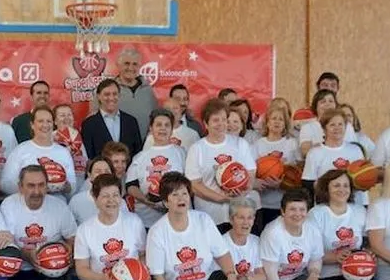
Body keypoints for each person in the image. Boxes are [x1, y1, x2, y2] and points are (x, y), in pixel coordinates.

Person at [0, 165, 78, 280]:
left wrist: (67, 252)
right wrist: (27, 254)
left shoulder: (58, 206)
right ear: (20, 187)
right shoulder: (9, 205)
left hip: (52, 271)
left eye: (41, 185)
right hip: (22, 270)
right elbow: (5, 244)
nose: (37, 191)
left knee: (58, 275)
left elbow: (72, 238)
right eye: (31, 185)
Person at [308, 169, 372, 280]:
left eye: (345, 185)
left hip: (353, 275)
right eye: (336, 185)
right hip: (325, 275)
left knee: (362, 279)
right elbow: (308, 251)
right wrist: (334, 257)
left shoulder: (359, 211)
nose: (342, 189)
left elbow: (368, 241)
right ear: (326, 188)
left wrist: (366, 254)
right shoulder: (316, 214)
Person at [185, 98, 258, 227]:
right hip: (209, 215)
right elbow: (194, 185)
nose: (221, 124)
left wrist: (243, 190)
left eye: (224, 119)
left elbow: (251, 173)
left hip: (239, 215)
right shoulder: (197, 149)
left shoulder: (240, 144)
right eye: (215, 120)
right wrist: (221, 198)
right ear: (206, 124)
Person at [259, 188, 323, 280]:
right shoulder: (273, 232)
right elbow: (270, 273)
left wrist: (314, 275)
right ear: (283, 212)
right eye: (292, 209)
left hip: (294, 279)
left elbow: (316, 259)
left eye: (302, 209)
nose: (298, 214)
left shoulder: (312, 230)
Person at [125, 108, 186, 228]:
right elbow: (131, 186)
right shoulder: (140, 156)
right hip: (146, 220)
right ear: (151, 128)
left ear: (172, 129)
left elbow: (190, 183)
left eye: (167, 125)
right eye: (158, 125)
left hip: (176, 220)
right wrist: (147, 201)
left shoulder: (182, 153)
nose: (163, 128)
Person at [0, 106, 76, 197]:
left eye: (49, 121)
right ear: (32, 125)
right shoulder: (20, 150)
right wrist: (31, 187)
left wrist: (63, 185)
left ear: (53, 124)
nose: (45, 125)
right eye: (40, 121)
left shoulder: (63, 152)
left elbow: (73, 187)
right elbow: (5, 184)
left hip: (56, 206)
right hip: (27, 207)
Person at [222, 198, 273, 280]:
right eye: (241, 218)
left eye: (250, 218)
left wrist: (246, 278)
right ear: (231, 219)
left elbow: (263, 276)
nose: (246, 223)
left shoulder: (256, 241)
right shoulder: (221, 244)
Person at [252, 103, 300, 233]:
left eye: (281, 119)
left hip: (284, 203)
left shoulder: (292, 144)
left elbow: (298, 173)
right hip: (262, 203)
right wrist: (258, 182)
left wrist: (282, 183)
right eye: (273, 118)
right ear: (267, 122)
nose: (277, 122)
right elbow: (251, 172)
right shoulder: (257, 145)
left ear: (285, 124)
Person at [302, 108, 366, 205]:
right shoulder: (315, 153)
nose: (337, 128)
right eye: (332, 125)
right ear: (324, 129)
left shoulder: (356, 150)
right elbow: (307, 184)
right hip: (325, 207)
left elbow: (364, 178)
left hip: (355, 205)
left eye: (340, 124)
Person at [81, 79, 143, 158]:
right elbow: (89, 156)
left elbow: (138, 154)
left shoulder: (131, 122)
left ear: (119, 95)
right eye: (107, 94)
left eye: (115, 94)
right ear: (98, 96)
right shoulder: (88, 125)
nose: (111, 98)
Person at [110, 48, 158, 140]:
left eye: (135, 64)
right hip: (116, 148)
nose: (131, 68)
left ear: (139, 66)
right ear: (118, 65)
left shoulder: (148, 91)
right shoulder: (107, 90)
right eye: (127, 63)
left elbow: (155, 118)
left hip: (144, 146)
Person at [298, 89, 357, 157]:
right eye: (323, 102)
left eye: (331, 101)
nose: (327, 104)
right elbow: (305, 151)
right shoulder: (307, 127)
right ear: (315, 107)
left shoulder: (347, 126)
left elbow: (354, 149)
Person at [70, 157, 122, 225]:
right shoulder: (76, 201)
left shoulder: (119, 201)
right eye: (98, 171)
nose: (103, 174)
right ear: (89, 175)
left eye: (107, 171)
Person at [53, 103, 88, 189]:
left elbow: (85, 161)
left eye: (69, 115)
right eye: (62, 115)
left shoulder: (79, 137)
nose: (67, 118)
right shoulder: (51, 138)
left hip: (80, 183)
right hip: (59, 184)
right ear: (55, 121)